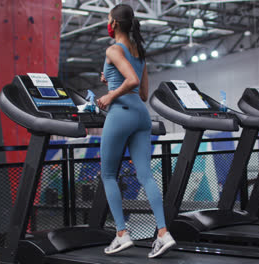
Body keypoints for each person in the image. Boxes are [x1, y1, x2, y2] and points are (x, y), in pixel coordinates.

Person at [96, 4, 176, 258]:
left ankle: (122, 234)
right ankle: (163, 233)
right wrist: (113, 81)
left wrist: (110, 94)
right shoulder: (138, 51)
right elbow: (142, 93)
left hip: (121, 114)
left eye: (108, 19)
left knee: (108, 175)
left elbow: (130, 82)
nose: (107, 23)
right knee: (146, 176)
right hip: (141, 116)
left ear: (115, 24)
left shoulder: (113, 49)